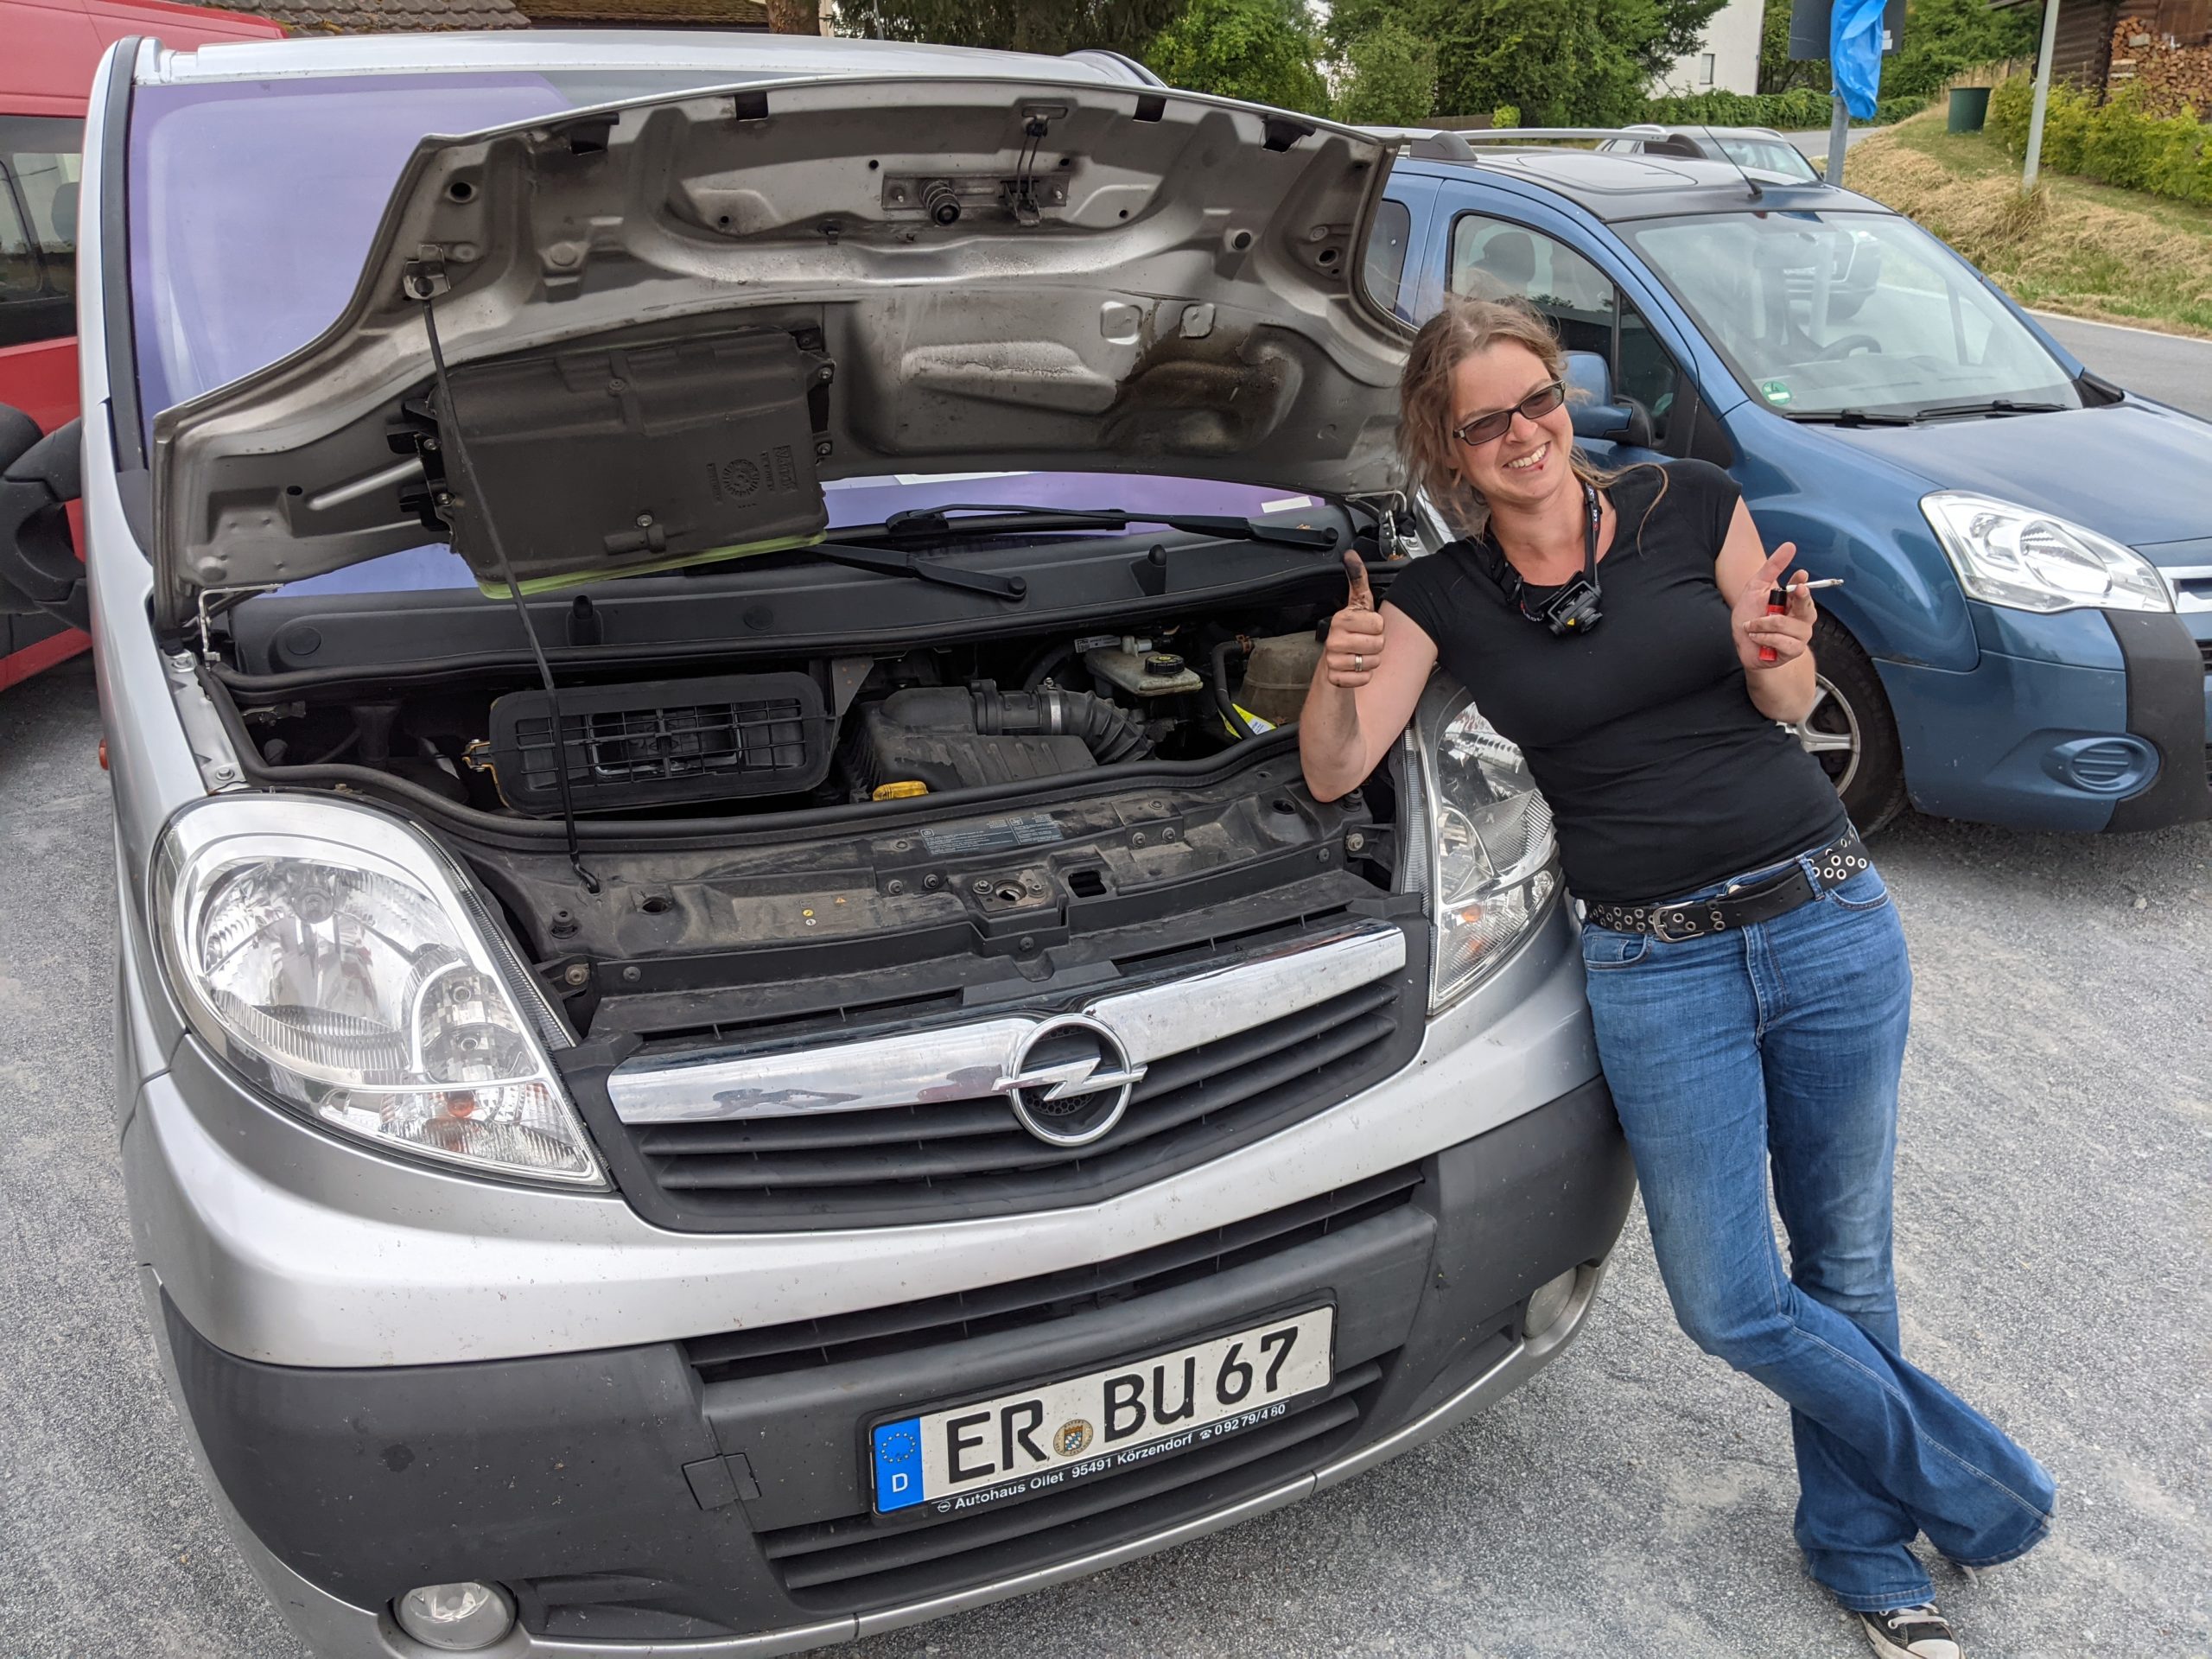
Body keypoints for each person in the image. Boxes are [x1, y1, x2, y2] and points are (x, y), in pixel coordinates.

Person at [1299, 296, 2052, 1659]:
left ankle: (1865, 1552)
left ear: (1562, 397)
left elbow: (1779, 700)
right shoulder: (1436, 598)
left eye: (1538, 400)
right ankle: (1982, 1488)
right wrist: (1333, 675)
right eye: (1487, 421)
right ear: (1446, 444)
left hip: (1822, 915)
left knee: (1844, 1263)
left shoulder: (1690, 502)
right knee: (1727, 1299)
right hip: (1654, 960)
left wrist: (1786, 660)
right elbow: (1338, 766)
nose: (1525, 433)